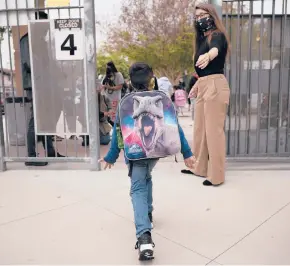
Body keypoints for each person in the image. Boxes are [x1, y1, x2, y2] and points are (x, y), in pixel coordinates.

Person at [99, 62, 196, 261]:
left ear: (130, 80)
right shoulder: (160, 99)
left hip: (135, 154)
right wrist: (187, 153)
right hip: (155, 153)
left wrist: (110, 156)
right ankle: (148, 213)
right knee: (146, 177)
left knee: (137, 188)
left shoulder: (128, 101)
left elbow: (119, 131)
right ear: (151, 78)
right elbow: (174, 127)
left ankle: (144, 237)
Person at [181, 3, 230, 186]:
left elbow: (216, 49)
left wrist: (209, 55)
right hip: (205, 85)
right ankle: (200, 168)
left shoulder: (217, 35)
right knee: (200, 130)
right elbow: (203, 71)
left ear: (211, 15)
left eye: (204, 14)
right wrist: (197, 85)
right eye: (197, 16)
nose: (200, 18)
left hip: (216, 86)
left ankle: (217, 175)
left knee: (213, 133)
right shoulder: (201, 40)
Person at [20, 11, 64, 166]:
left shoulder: (41, 41)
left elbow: (47, 63)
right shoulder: (27, 40)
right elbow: (29, 64)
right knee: (36, 120)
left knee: (46, 118)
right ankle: (31, 156)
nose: (46, 28)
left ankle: (50, 151)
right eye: (43, 25)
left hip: (45, 85)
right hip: (35, 85)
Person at [101, 61, 125, 126]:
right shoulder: (106, 76)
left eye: (108, 67)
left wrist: (110, 87)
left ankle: (115, 128)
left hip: (115, 98)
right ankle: (110, 128)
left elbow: (120, 86)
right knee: (108, 115)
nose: (107, 69)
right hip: (107, 99)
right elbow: (102, 85)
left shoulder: (118, 75)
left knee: (114, 116)